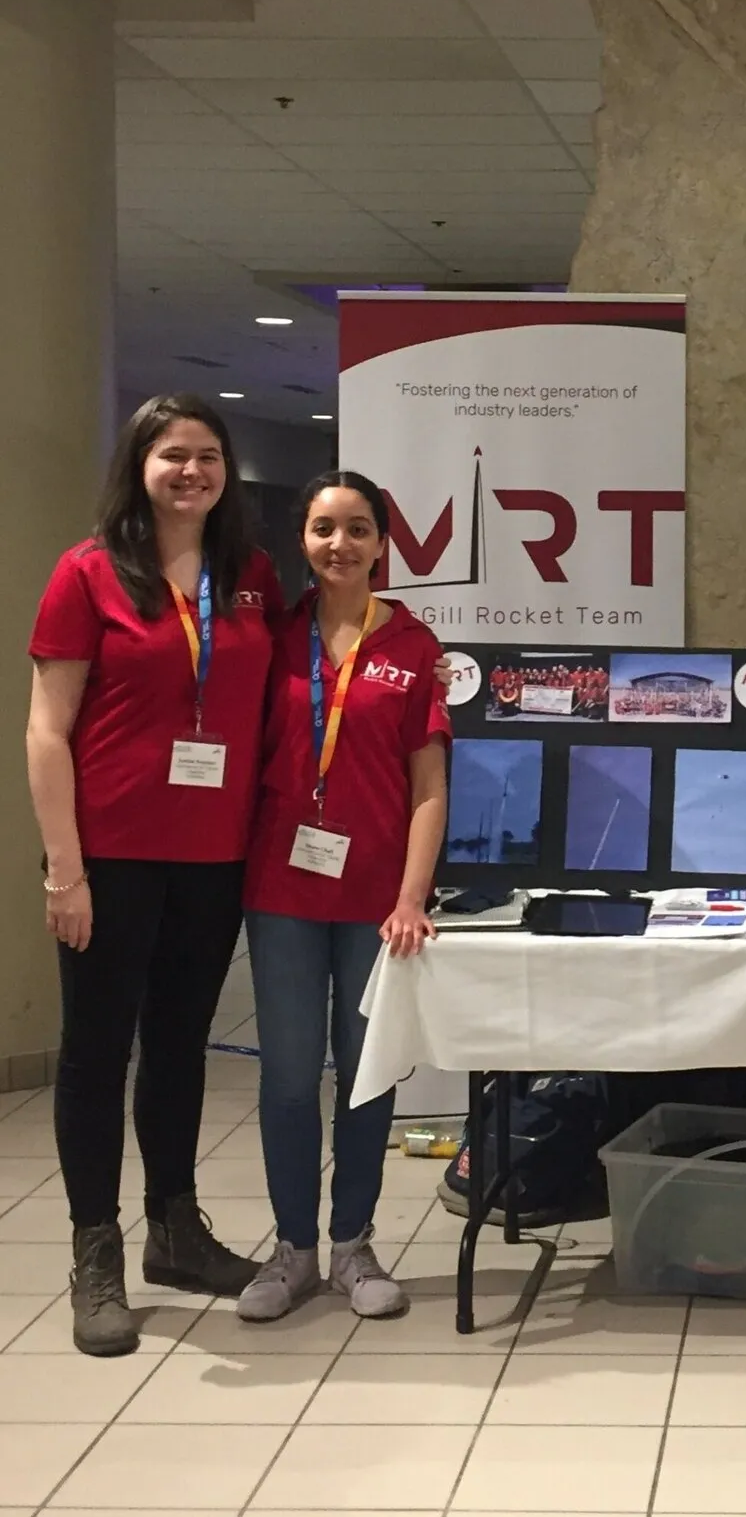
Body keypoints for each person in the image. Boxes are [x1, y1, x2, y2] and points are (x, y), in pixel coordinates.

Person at [26, 395, 283, 1357]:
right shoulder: (88, 574)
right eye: (174, 456)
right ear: (139, 464)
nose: (193, 473)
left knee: (179, 1047)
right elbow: (47, 729)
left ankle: (175, 1231)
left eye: (209, 456)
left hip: (213, 857)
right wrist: (65, 869)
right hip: (112, 856)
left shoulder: (250, 576)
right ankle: (98, 1252)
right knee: (97, 1053)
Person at [236, 471, 450, 1324]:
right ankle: (293, 1251)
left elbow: (428, 785)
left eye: (359, 529)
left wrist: (411, 895)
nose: (341, 545)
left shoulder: (413, 646)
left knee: (365, 1077)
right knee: (289, 1077)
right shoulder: (272, 637)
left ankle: (353, 1244)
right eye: (325, 528)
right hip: (281, 891)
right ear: (303, 539)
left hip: (376, 904)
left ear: (382, 546)